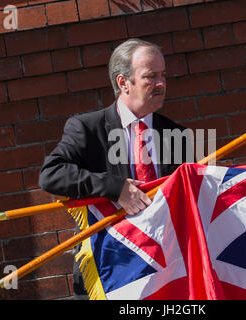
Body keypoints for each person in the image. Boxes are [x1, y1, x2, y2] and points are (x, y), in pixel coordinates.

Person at [38, 38, 191, 299]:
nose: (161, 84)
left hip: (164, 275)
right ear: (123, 82)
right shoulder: (87, 128)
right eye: (151, 76)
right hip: (108, 273)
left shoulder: (176, 134)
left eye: (163, 75)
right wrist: (114, 188)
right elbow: (51, 174)